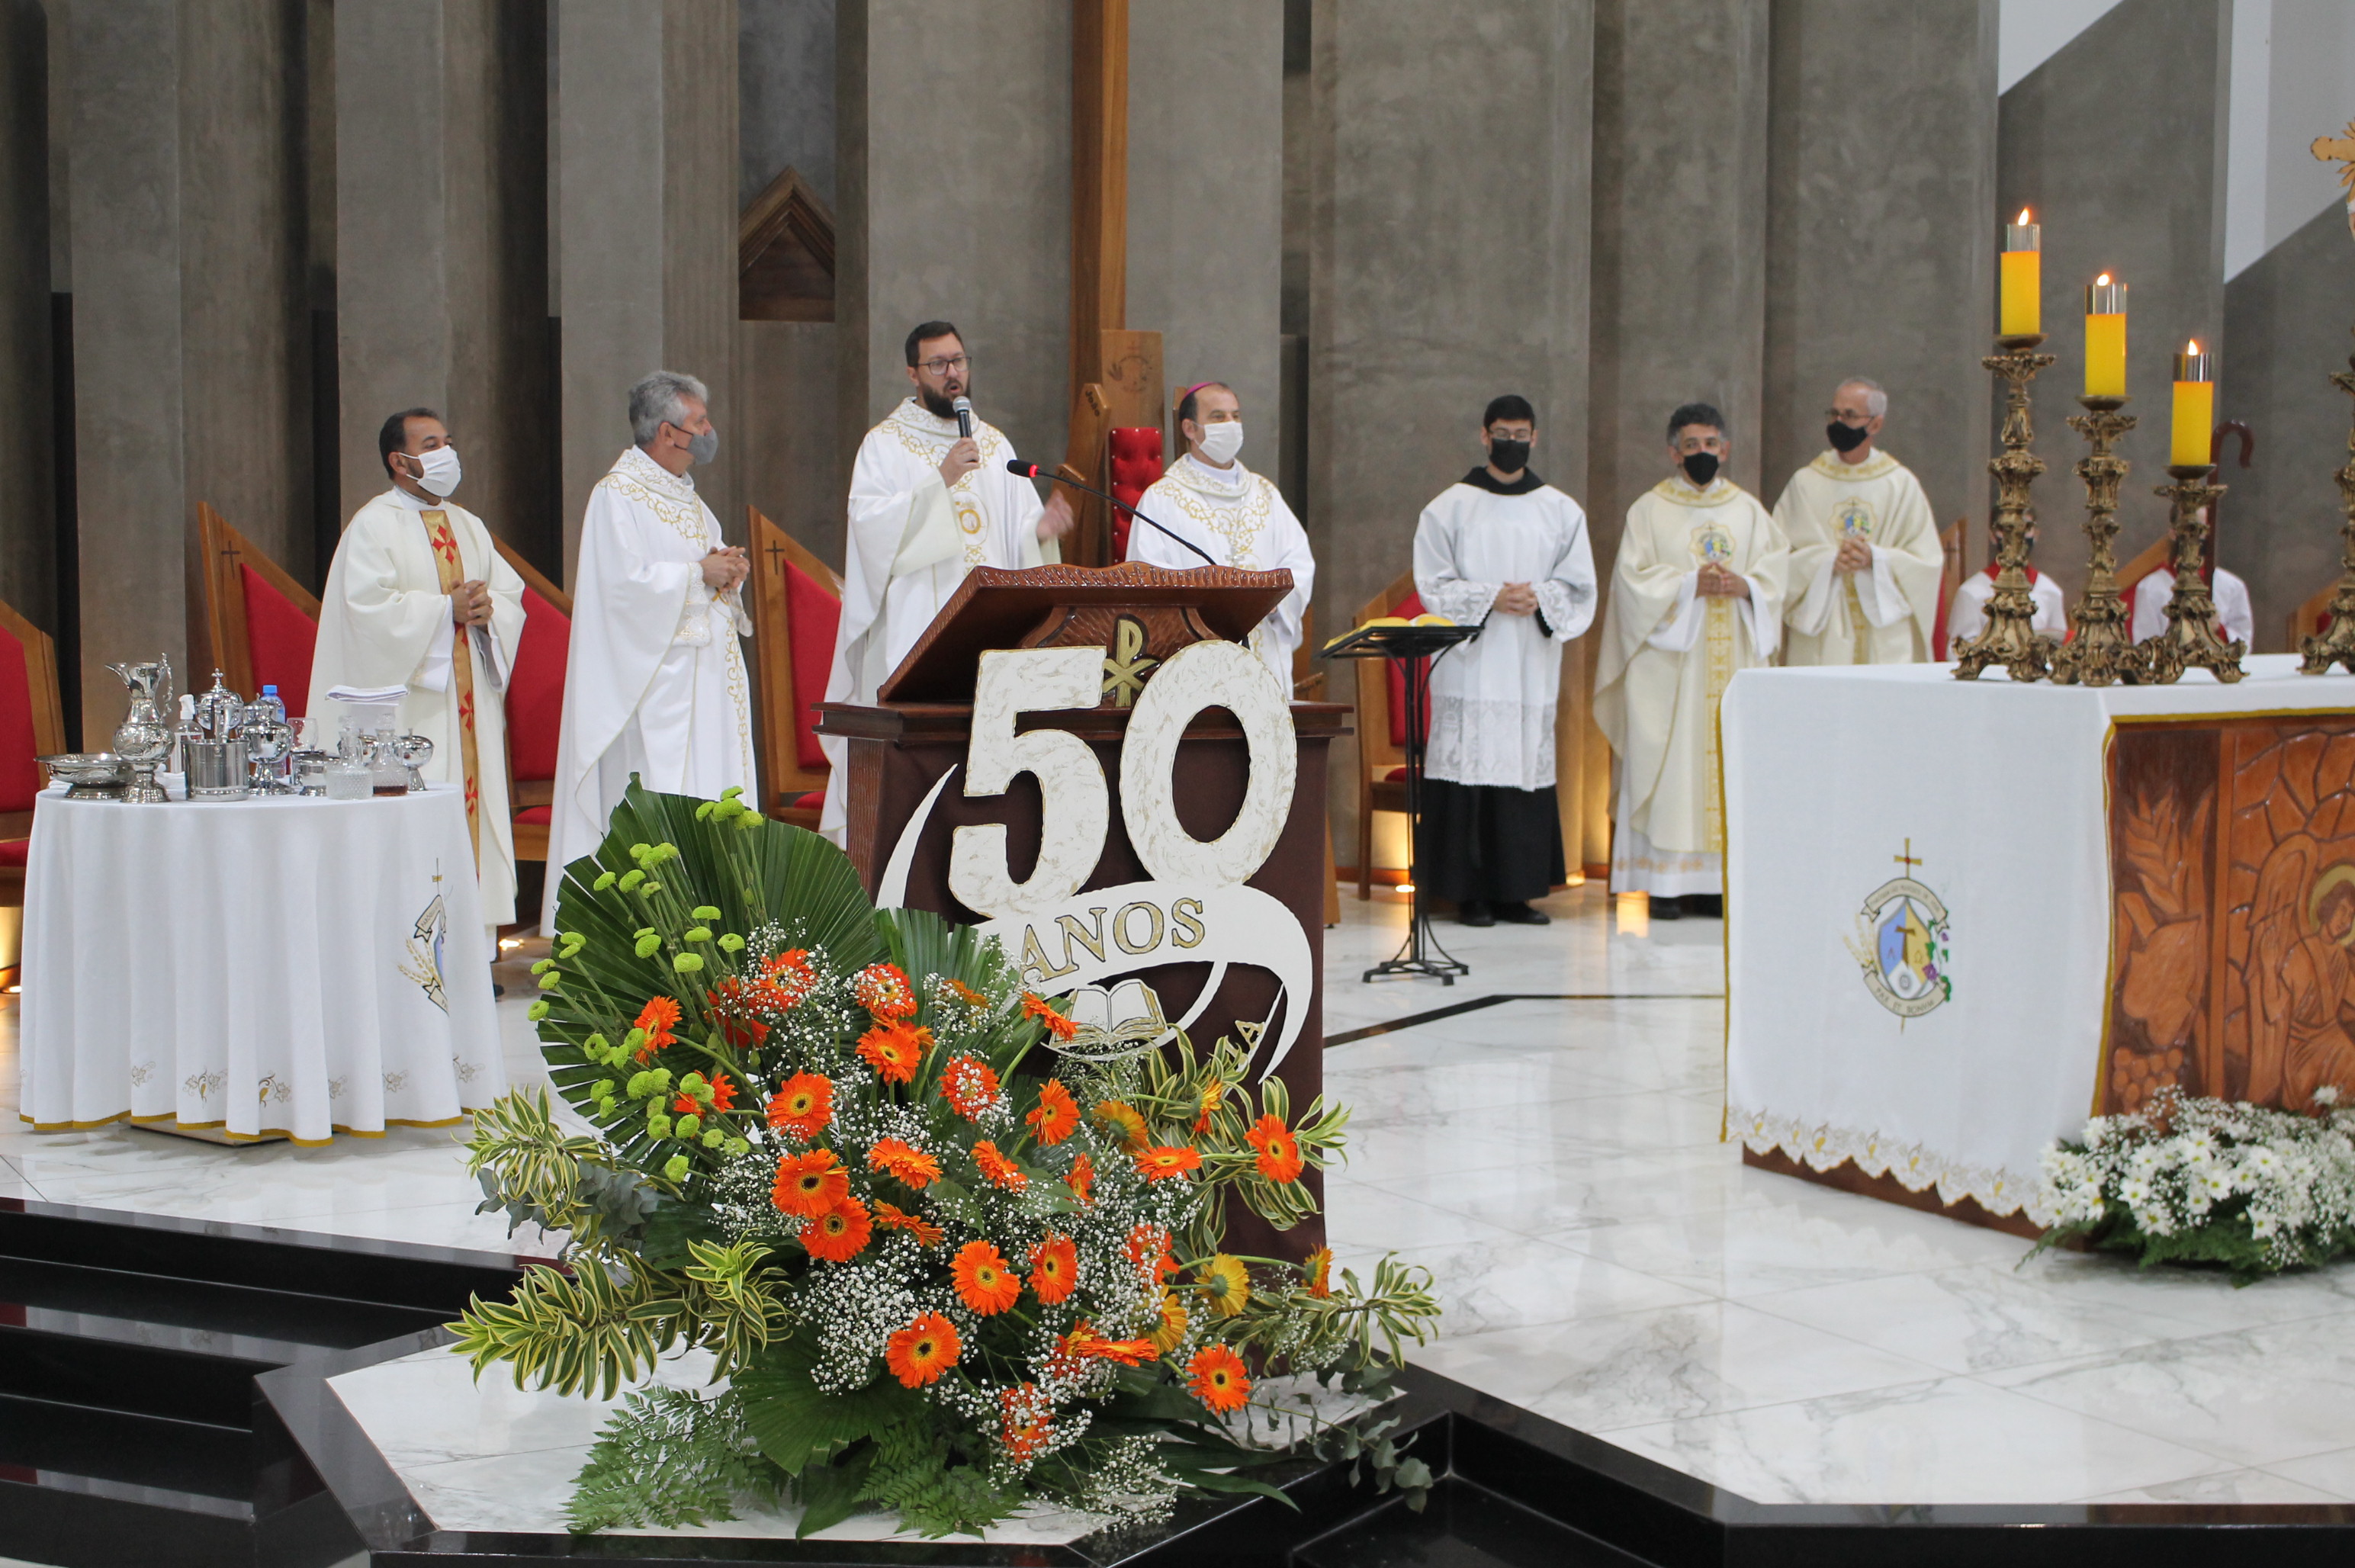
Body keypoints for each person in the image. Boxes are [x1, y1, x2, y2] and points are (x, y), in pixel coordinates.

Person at [821, 321, 1076, 841]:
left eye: (959, 361)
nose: (953, 374)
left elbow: (1014, 537)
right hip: (916, 631)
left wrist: (1040, 531)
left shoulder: (993, 440)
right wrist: (939, 481)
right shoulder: (884, 445)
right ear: (913, 373)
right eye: (938, 365)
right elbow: (871, 533)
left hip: (987, 634)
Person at [310, 407, 529, 947]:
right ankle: (415, 947)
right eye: (431, 444)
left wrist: (485, 610)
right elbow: (365, 612)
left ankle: (472, 950)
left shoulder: (468, 525)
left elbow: (509, 595)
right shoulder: (373, 525)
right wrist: (440, 611)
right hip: (417, 706)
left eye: (447, 441)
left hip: (469, 698)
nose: (445, 454)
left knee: (469, 808)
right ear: (399, 460)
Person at [542, 371, 754, 928]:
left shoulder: (687, 497)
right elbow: (621, 590)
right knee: (669, 804)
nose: (709, 432)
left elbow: (701, 574)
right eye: (699, 423)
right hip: (657, 694)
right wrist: (697, 574)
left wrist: (727, 573)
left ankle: (721, 927)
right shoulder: (618, 496)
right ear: (667, 432)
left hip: (707, 686)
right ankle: (666, 930)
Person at [1594, 403, 1791, 920]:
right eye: (1691, 445)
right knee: (1671, 765)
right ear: (1672, 451)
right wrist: (1688, 584)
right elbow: (1630, 584)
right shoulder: (1648, 511)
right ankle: (1665, 885)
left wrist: (1744, 585)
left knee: (1730, 763)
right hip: (1672, 670)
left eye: (1710, 445)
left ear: (1724, 450)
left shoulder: (1749, 511)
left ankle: (1719, 885)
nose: (1701, 454)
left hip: (1734, 664)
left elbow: (1777, 572)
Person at [1410, 395, 1596, 927]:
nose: (1511, 442)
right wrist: (1491, 596)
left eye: (1521, 433)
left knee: (1519, 763)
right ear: (1484, 435)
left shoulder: (1561, 510)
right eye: (1502, 432)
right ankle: (1468, 893)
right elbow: (1432, 582)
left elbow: (1580, 585)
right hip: (1472, 659)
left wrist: (1540, 597)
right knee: (1470, 763)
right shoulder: (1450, 507)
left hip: (1528, 660)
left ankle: (1518, 892)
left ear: (1535, 437)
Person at [1129, 381, 1315, 692]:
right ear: (1190, 428)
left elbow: (1299, 561)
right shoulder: (1161, 498)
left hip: (1261, 653)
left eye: (1236, 416)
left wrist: (1274, 597)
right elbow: (1145, 576)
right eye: (1218, 417)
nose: (1231, 425)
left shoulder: (1265, 494)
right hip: (1192, 658)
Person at [1775, 378, 1942, 665]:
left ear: (1875, 425)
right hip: (1823, 628)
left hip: (1884, 632)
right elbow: (1778, 557)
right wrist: (1829, 561)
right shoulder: (1805, 482)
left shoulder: (1900, 484)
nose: (1839, 422)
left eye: (1850, 416)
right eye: (1834, 414)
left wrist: (1875, 559)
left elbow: (1926, 563)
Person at [2127, 512, 2256, 647]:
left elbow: (2244, 640)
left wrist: (2218, 630)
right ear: (2173, 532)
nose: (2195, 537)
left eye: (2201, 530)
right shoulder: (2150, 587)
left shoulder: (2232, 586)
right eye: (2189, 528)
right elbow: (2145, 644)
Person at [1945, 513, 2067, 646]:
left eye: (2025, 528)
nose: (2017, 535)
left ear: (2036, 534)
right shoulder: (1971, 592)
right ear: (1993, 535)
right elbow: (1957, 649)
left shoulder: (2050, 591)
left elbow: (2059, 643)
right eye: (2007, 528)